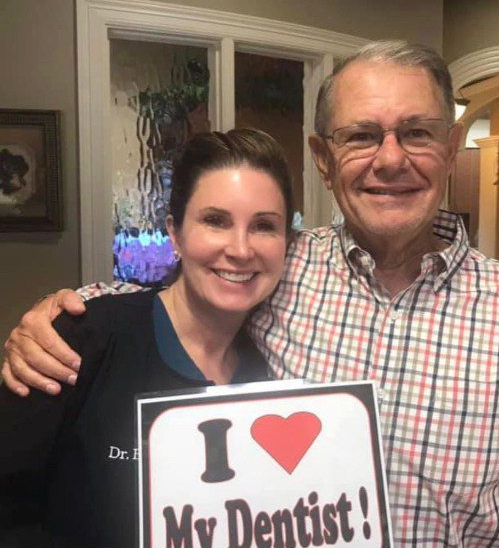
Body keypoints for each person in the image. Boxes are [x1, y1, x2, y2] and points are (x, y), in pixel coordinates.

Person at [4, 40, 499, 547]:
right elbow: (187, 292)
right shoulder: (284, 267)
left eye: (418, 132)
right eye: (362, 136)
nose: (392, 159)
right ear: (324, 159)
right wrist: (63, 314)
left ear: (451, 148)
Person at [0, 128, 294, 547]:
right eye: (215, 221)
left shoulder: (270, 371)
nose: (241, 249)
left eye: (264, 226)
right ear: (175, 233)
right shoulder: (77, 339)